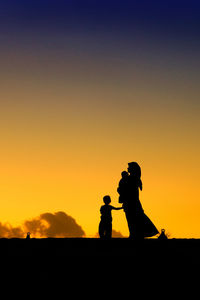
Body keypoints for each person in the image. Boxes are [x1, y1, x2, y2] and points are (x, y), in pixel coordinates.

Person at [117, 162, 159, 239]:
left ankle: (135, 234)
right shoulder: (133, 178)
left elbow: (126, 190)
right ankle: (136, 234)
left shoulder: (132, 178)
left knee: (133, 218)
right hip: (132, 202)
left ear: (133, 169)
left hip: (132, 202)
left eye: (129, 167)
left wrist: (121, 188)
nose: (127, 168)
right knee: (135, 218)